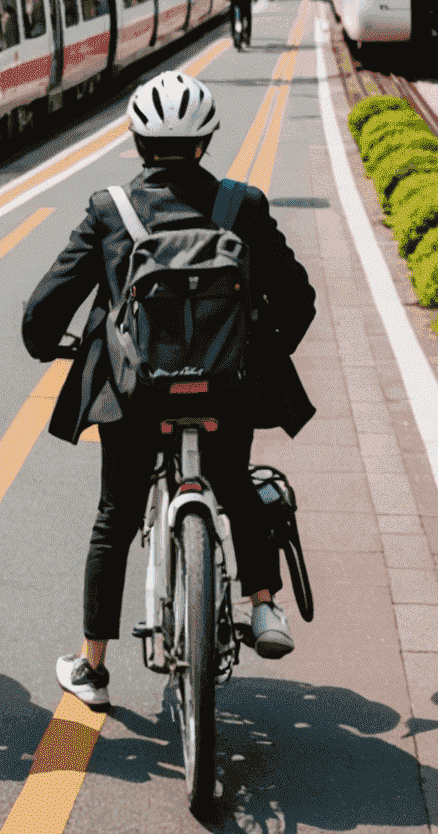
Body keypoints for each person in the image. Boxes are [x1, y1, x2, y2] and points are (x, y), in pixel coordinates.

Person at [21, 70, 317, 709]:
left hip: (135, 399)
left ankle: (93, 669)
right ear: (206, 141)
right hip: (224, 391)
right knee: (235, 485)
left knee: (116, 517)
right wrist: (252, 356)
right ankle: (264, 607)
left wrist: (51, 345)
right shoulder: (244, 206)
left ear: (135, 141)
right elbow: (299, 300)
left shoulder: (109, 211)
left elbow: (44, 311)